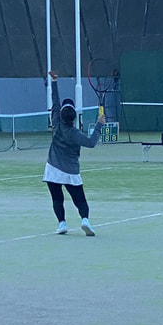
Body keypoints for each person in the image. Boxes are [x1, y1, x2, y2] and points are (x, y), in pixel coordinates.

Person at [44, 70, 101, 236]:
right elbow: (91, 143)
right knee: (80, 200)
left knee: (57, 198)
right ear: (74, 117)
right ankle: (85, 220)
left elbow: (55, 101)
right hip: (71, 172)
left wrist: (54, 82)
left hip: (53, 169)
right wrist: (99, 124)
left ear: (61, 113)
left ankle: (62, 224)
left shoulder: (55, 123)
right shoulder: (75, 134)